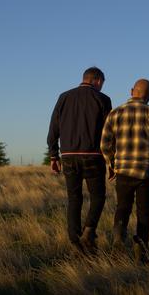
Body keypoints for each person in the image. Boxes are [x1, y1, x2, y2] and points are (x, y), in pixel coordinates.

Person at [100, 79, 149, 263]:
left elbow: (105, 144)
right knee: (144, 212)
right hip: (147, 173)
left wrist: (111, 164)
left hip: (123, 171)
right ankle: (141, 253)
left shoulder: (115, 113)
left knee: (122, 208)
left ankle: (118, 241)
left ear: (132, 91)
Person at [47, 67, 112, 254]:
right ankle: (89, 231)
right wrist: (111, 160)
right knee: (98, 197)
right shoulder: (103, 99)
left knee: (74, 199)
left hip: (67, 157)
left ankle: (75, 241)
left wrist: (53, 155)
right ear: (98, 80)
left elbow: (53, 128)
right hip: (93, 156)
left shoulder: (64, 97)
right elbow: (109, 133)